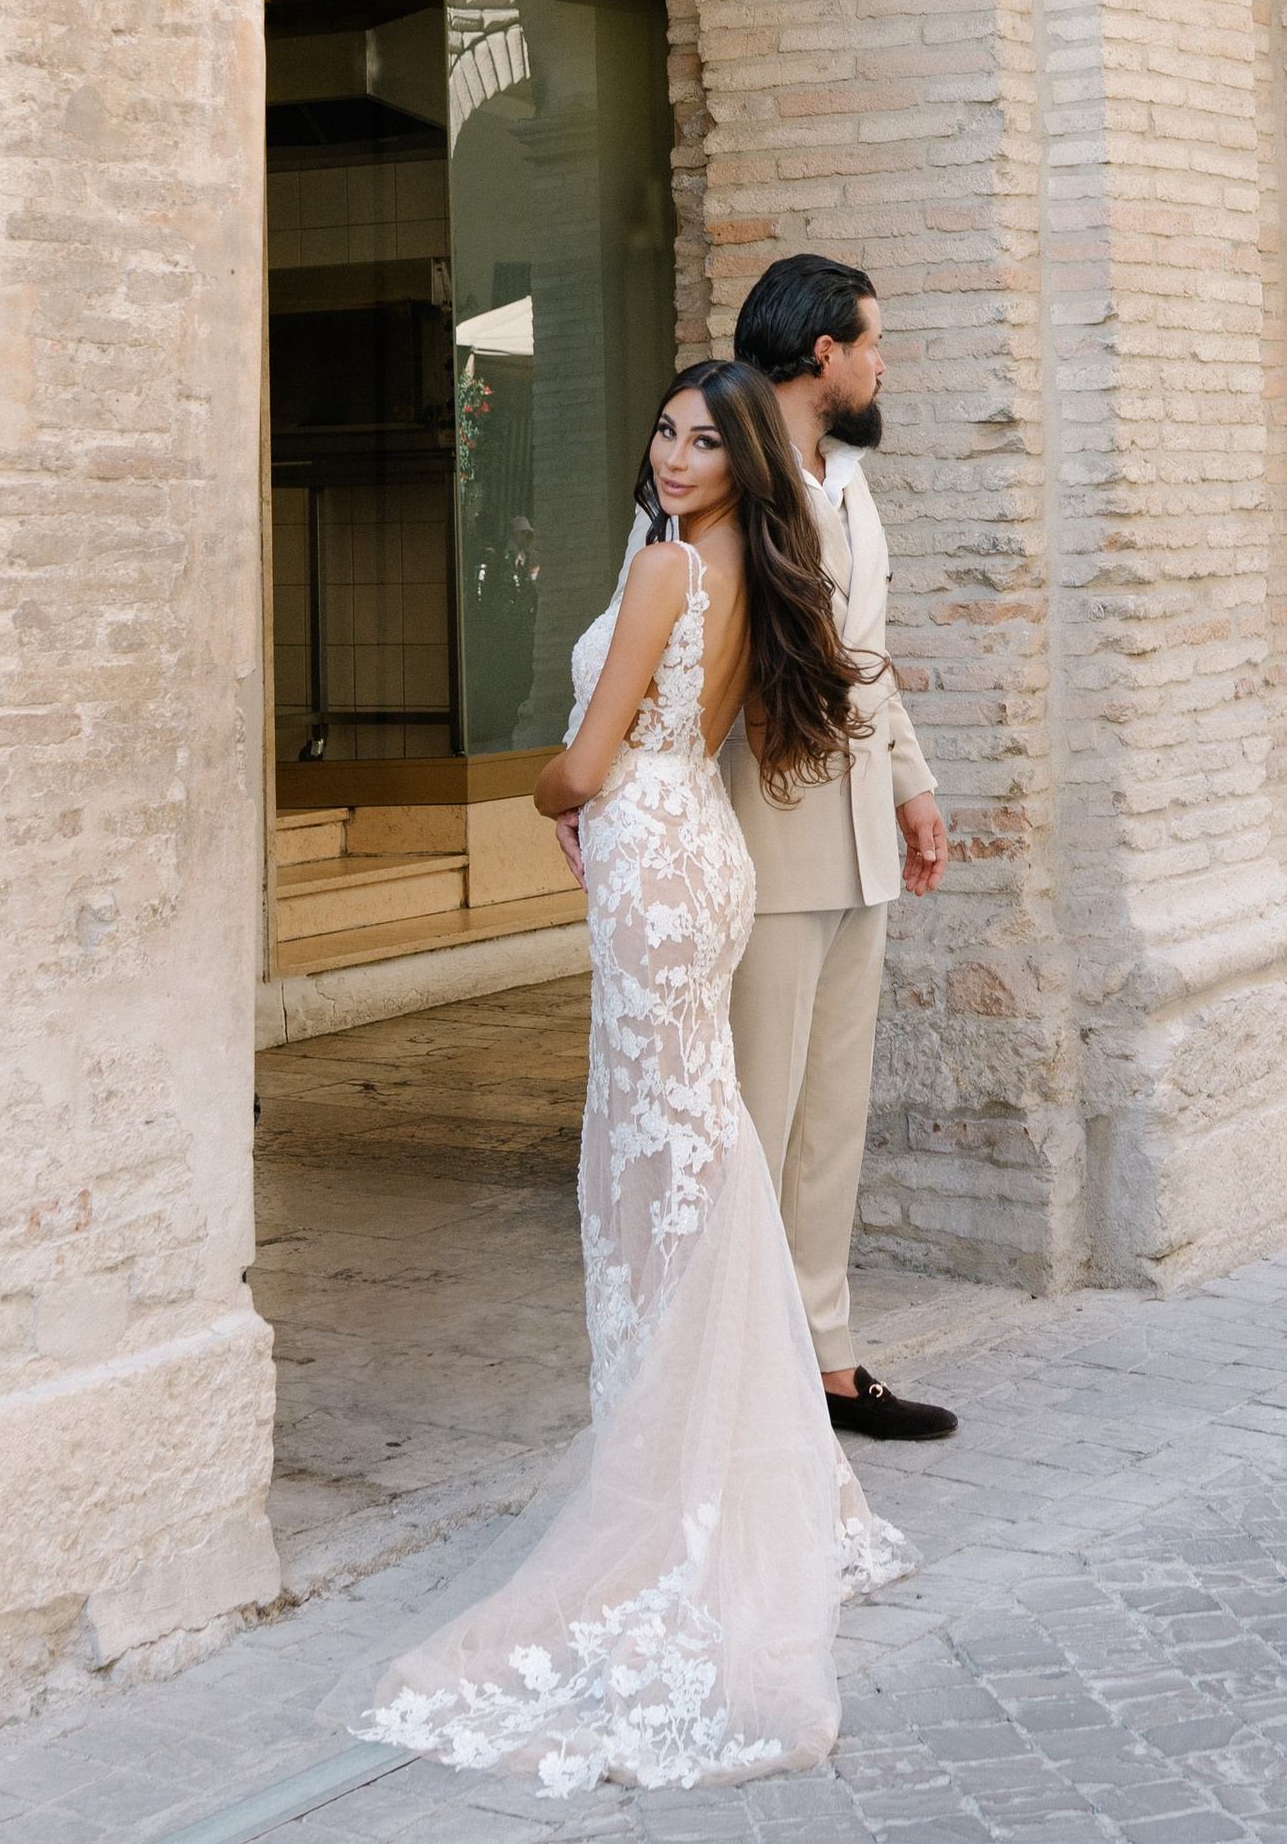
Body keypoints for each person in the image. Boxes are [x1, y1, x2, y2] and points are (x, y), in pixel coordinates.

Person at [362, 362, 912, 1790]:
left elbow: (583, 759)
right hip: (695, 851)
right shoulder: (753, 567)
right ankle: (735, 1453)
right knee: (694, 1149)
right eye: (660, 429)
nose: (672, 455)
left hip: (651, 853)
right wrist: (609, 797)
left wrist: (558, 797)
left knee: (660, 1169)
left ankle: (678, 1481)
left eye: (701, 437)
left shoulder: (671, 571)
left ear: (741, 455)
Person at [591, 256, 957, 1444]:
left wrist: (912, 786)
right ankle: (727, 1375)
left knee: (829, 1118)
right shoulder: (721, 483)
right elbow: (635, 648)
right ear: (821, 359)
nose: (882, 362)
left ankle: (825, 1357)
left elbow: (867, 654)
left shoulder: (850, 483)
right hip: (754, 843)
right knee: (746, 1116)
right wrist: (586, 792)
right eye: (871, 342)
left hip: (855, 847)